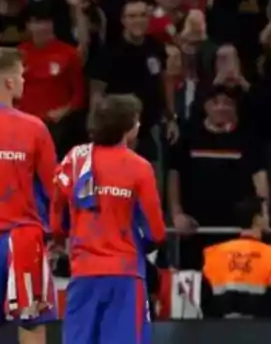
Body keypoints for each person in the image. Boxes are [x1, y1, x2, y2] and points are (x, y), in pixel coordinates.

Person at [52, 94, 168, 344]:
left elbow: (56, 215)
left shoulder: (74, 158)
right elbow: (156, 232)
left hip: (83, 272)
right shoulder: (140, 167)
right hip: (125, 275)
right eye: (137, 121)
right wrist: (142, 245)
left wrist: (62, 238)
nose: (139, 126)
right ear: (128, 128)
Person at [0, 47, 57, 343]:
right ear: (9, 82)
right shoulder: (34, 128)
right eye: (21, 76)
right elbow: (55, 189)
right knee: (32, 325)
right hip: (22, 242)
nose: (24, 81)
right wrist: (61, 233)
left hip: (20, 237)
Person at [200, 197, 271, 318]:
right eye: (265, 214)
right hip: (259, 332)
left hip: (219, 331)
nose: (269, 219)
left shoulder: (213, 254)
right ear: (257, 220)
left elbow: (205, 302)